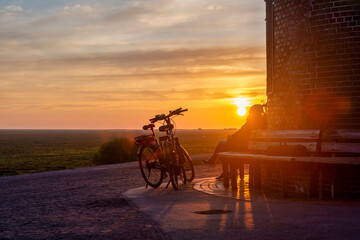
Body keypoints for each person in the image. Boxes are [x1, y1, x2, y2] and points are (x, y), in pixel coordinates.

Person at [201, 104, 266, 179]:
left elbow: (242, 133)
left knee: (223, 148)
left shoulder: (253, 121)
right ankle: (227, 171)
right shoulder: (258, 120)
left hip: (244, 146)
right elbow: (242, 133)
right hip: (245, 144)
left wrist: (231, 138)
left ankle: (224, 170)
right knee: (223, 147)